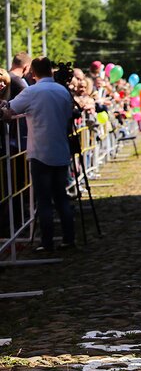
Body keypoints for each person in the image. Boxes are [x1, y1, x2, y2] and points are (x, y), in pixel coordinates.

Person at [3, 57, 75, 251]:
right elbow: (69, 115)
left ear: (32, 72)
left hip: (40, 152)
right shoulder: (62, 91)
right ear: (50, 70)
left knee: (43, 200)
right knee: (61, 197)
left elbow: (10, 109)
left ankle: (47, 242)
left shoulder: (32, 91)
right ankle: (69, 238)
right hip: (60, 150)